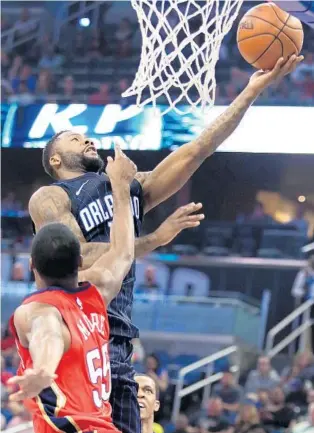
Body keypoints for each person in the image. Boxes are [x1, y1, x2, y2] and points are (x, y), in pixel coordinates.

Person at [28, 55, 302, 433]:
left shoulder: (124, 183)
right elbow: (71, 257)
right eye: (76, 138)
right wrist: (153, 239)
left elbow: (198, 148)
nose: (88, 138)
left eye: (87, 135)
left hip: (118, 337)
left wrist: (251, 92)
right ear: (56, 158)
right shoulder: (51, 196)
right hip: (74, 332)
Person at [7, 145, 138, 432]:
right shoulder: (98, 291)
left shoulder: (36, 310)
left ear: (32, 265)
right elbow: (124, 252)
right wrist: (120, 187)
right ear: (79, 261)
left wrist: (43, 368)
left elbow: (48, 333)